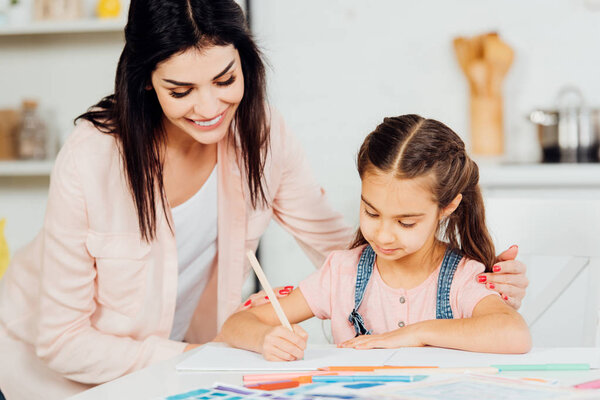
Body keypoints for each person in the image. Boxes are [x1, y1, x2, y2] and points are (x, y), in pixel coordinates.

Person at [0, 1, 527, 399]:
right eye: (181, 91)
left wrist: (462, 291)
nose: (209, 107)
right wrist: (214, 354)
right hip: (50, 372)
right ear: (145, 83)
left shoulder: (262, 133)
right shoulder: (93, 157)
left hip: (186, 367)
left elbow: (344, 250)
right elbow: (63, 342)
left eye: (226, 79)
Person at [220, 115, 532, 360]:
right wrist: (265, 339)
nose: (382, 235)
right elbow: (235, 326)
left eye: (405, 222)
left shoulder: (461, 278)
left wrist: (416, 334)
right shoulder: (342, 273)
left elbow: (514, 334)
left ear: (446, 208)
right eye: (371, 213)